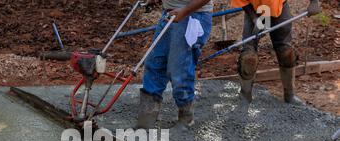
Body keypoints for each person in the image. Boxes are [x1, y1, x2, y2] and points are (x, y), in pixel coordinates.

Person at [136, 0, 214, 130]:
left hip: (193, 15)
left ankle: (185, 118)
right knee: (155, 63)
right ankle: (146, 119)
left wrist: (185, 11)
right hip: (170, 13)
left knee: (179, 69)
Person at [231, 0, 322, 104]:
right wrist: (254, 18)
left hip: (279, 9)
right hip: (255, 11)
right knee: (248, 58)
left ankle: (289, 95)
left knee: (286, 53)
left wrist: (314, 2)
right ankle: (245, 96)